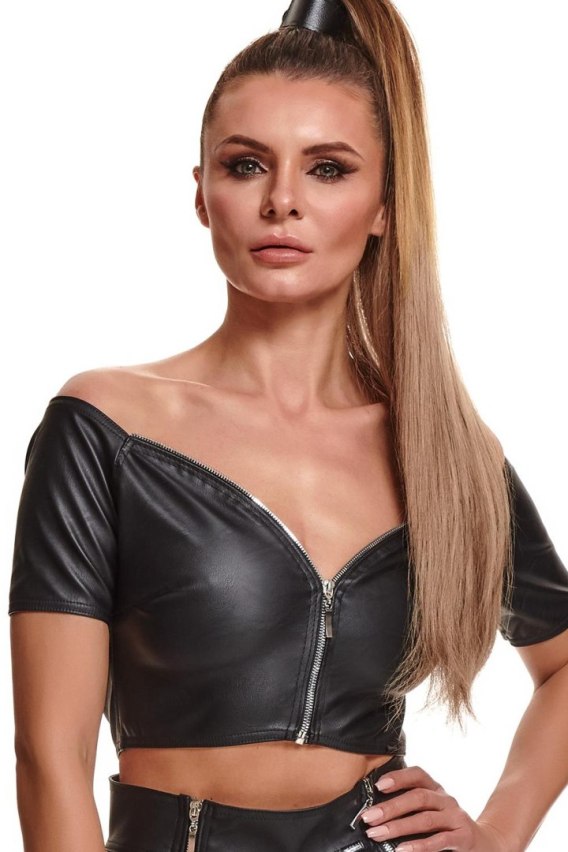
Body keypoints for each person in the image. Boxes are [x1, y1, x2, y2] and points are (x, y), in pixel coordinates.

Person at [8, 0, 568, 849]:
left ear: (384, 205)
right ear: (202, 194)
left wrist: (499, 833)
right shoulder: (107, 431)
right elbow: (49, 760)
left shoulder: (445, 452)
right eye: (245, 165)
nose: (282, 202)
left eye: (328, 169)